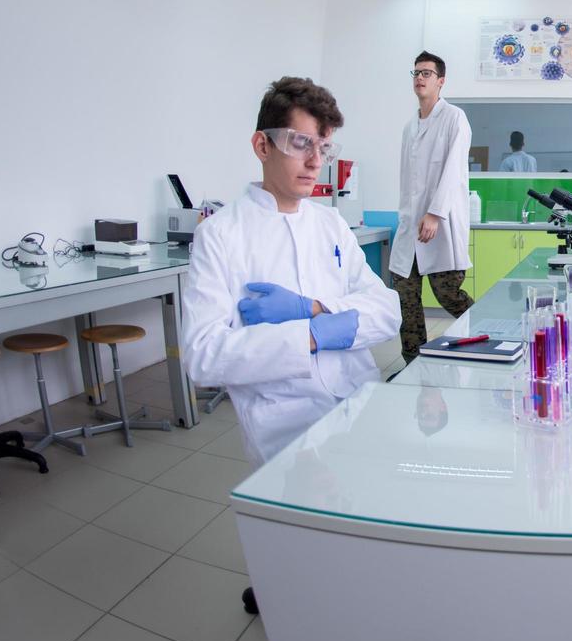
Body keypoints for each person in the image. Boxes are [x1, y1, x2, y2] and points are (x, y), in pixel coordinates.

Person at [182, 76, 401, 467]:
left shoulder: (330, 224)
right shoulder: (219, 234)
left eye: (324, 147)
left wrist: (314, 310)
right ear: (262, 145)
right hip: (285, 426)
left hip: (363, 403)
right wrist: (308, 338)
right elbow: (203, 357)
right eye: (301, 143)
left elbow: (388, 311)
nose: (316, 161)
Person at [390, 52, 474, 365]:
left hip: (440, 223)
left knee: (448, 294)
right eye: (416, 72)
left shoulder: (454, 118)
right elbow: (407, 181)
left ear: (441, 81)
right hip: (409, 225)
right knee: (405, 297)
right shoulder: (409, 127)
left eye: (427, 73)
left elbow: (453, 170)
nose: (420, 78)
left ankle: (492, 336)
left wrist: (436, 213)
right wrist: (407, 217)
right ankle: (413, 362)